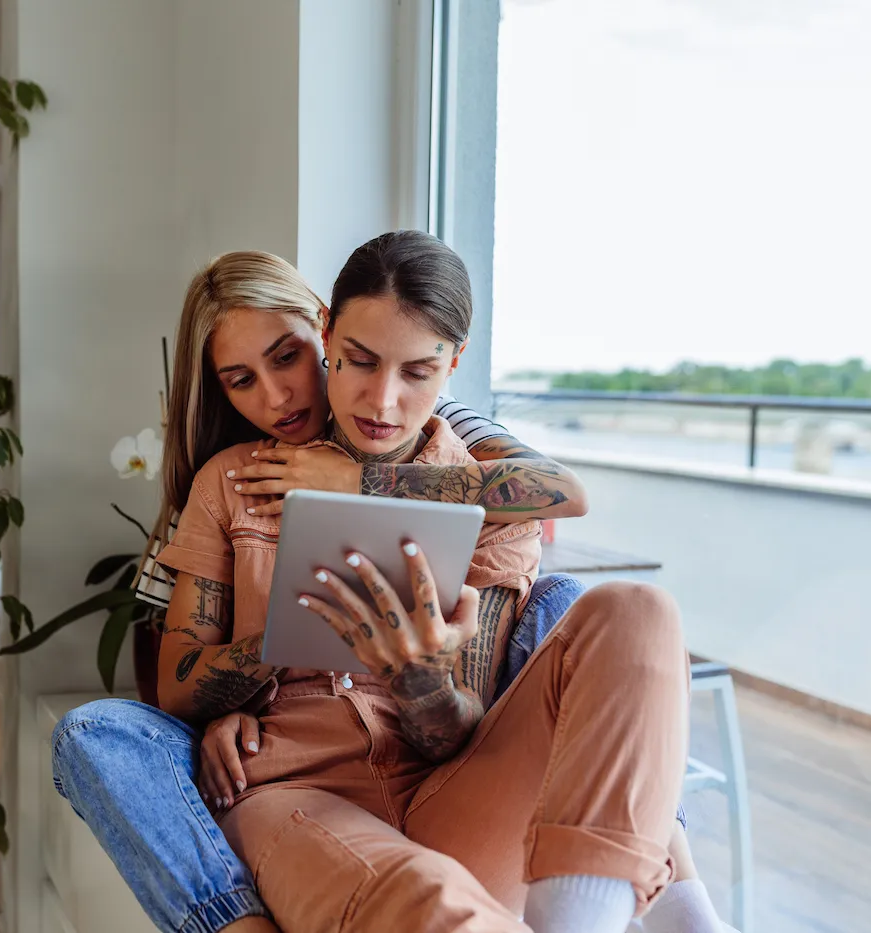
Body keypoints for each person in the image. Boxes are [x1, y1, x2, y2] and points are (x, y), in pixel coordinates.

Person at [54, 240, 728, 933]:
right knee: (427, 891)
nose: (382, 399)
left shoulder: (480, 492)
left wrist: (417, 676)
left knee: (637, 610)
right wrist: (285, 642)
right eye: (363, 362)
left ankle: (619, 916)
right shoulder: (231, 480)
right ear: (331, 336)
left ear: (451, 363)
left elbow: (454, 730)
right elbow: (177, 684)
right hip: (297, 790)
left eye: (416, 370)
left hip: (449, 789)